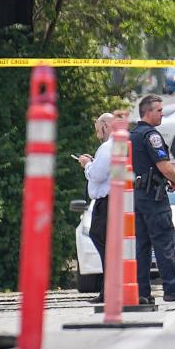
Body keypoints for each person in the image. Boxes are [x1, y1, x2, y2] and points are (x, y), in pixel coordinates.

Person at [130, 95, 175, 303]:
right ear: (148, 112)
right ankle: (171, 289)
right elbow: (163, 165)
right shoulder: (152, 136)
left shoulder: (131, 135)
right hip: (153, 197)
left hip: (136, 196)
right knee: (163, 243)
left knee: (141, 246)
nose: (162, 114)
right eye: (159, 110)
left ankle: (142, 293)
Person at [77, 113, 115, 303]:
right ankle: (109, 289)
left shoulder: (107, 147)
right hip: (113, 200)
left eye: (98, 129)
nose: (97, 133)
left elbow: (98, 174)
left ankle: (109, 290)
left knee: (101, 239)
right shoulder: (119, 145)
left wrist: (87, 164)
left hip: (106, 202)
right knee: (107, 243)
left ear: (106, 126)